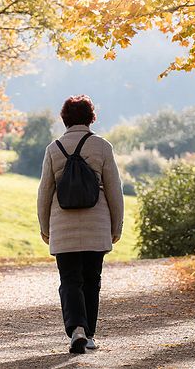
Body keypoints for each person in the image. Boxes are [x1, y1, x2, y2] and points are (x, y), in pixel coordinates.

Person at [37, 95, 125, 354]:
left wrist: (45, 228)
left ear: (64, 119)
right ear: (91, 118)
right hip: (96, 225)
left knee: (69, 280)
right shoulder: (102, 147)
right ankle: (88, 335)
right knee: (91, 280)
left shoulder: (54, 149)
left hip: (62, 227)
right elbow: (113, 191)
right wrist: (115, 227)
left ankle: (76, 328)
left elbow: (45, 192)